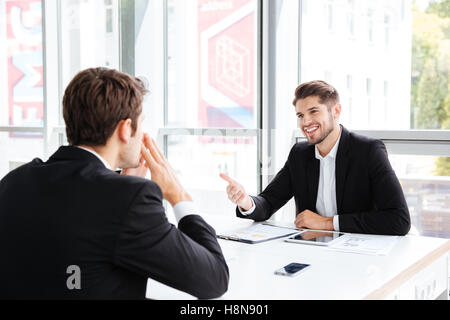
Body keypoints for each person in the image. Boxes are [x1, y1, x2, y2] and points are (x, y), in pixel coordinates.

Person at [0, 67, 229, 299]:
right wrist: (177, 195)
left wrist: (121, 188)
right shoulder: (128, 199)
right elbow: (215, 280)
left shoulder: (15, 180)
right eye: (140, 124)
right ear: (124, 129)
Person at [221, 80, 411, 236]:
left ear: (335, 111)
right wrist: (246, 201)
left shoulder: (368, 151)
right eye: (300, 115)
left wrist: (328, 223)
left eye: (314, 112)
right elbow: (269, 202)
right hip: (312, 252)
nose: (306, 122)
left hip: (358, 256)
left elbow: (399, 220)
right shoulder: (299, 154)